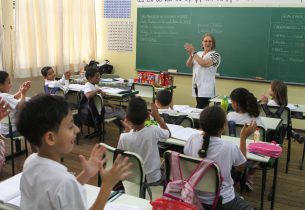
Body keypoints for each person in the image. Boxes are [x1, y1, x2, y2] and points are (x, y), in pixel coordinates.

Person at [16, 94, 132, 210]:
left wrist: (86, 174)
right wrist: (107, 185)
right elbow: (64, 187)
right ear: (51, 138)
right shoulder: (64, 182)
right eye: (71, 126)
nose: (77, 129)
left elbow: (61, 192)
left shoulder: (30, 161)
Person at [184, 105, 255, 210]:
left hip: (193, 196)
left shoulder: (192, 139)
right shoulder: (229, 146)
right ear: (223, 127)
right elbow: (241, 168)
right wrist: (243, 138)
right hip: (222, 201)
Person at [118, 97, 170, 184]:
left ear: (126, 118)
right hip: (153, 179)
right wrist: (157, 116)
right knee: (165, 163)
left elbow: (120, 159)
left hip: (133, 179)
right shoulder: (153, 130)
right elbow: (168, 133)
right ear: (147, 115)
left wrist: (127, 131)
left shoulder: (123, 137)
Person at [184, 32, 221, 109]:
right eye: (205, 41)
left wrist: (193, 53)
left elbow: (204, 63)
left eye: (210, 41)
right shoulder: (198, 53)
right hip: (196, 87)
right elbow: (188, 65)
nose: (207, 43)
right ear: (202, 43)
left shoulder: (215, 55)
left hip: (206, 89)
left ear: (213, 43)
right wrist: (191, 54)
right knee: (201, 110)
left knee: (200, 110)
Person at [0, 71, 31, 137]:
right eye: (8, 82)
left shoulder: (2, 96)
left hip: (3, 130)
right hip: (12, 130)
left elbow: (12, 98)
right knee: (36, 127)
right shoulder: (4, 96)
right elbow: (21, 106)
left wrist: (20, 91)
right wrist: (23, 93)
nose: (10, 85)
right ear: (0, 85)